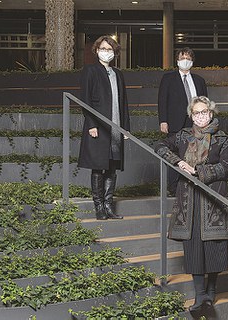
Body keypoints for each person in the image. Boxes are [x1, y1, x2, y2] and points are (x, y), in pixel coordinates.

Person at [154, 96, 228, 312]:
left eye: (205, 112)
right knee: (194, 247)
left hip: (213, 196)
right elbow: (159, 145)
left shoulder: (222, 138)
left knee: (216, 246)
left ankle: (211, 292)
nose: (201, 116)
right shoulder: (182, 136)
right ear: (191, 115)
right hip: (188, 198)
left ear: (211, 113)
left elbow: (227, 165)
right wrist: (178, 162)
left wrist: (200, 171)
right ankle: (200, 295)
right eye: (197, 113)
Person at [78, 35, 130, 220]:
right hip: (99, 126)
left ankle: (109, 207)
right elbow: (85, 100)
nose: (106, 52)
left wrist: (125, 129)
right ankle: (99, 207)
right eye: (103, 49)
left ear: (114, 52)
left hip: (116, 126)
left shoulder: (118, 74)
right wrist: (91, 124)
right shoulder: (91, 71)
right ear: (97, 50)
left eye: (110, 49)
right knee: (98, 166)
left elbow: (123, 102)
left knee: (112, 167)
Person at [158, 47, 208, 195]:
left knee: (195, 153)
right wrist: (163, 120)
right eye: (182, 58)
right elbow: (162, 100)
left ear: (192, 61)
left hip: (195, 123)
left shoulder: (199, 81)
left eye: (188, 58)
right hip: (174, 123)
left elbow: (205, 102)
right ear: (177, 60)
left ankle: (192, 183)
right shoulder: (168, 78)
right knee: (175, 153)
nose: (185, 61)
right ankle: (173, 187)